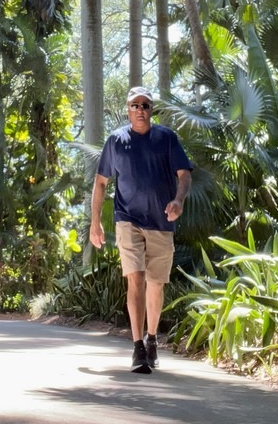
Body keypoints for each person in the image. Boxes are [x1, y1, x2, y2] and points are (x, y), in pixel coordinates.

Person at [89, 86, 193, 374]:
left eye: (145, 105)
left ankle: (152, 338)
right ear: (128, 109)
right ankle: (137, 347)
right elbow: (100, 182)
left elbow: (184, 176)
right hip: (127, 219)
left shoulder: (167, 139)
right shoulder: (116, 140)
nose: (140, 110)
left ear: (152, 109)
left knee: (156, 283)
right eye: (135, 105)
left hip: (161, 221)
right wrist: (95, 222)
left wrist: (178, 200)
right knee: (135, 278)